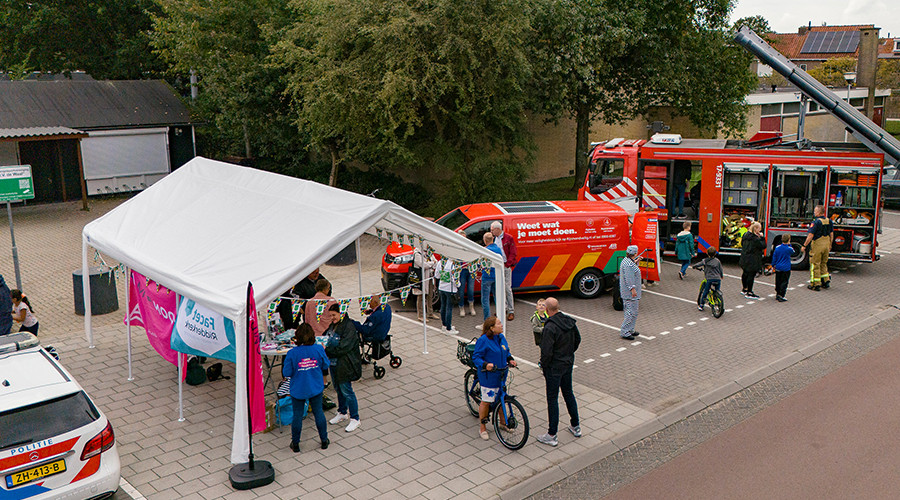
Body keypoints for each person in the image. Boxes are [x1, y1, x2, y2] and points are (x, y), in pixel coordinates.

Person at [537, 298, 581, 447]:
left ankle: (551, 434)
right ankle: (576, 426)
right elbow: (578, 340)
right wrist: (568, 354)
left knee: (552, 398)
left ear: (548, 310)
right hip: (567, 363)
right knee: (568, 393)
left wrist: (544, 365)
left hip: (554, 368)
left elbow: (547, 352)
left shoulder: (550, 328)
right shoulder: (569, 322)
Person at [282, 323, 330, 452]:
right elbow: (326, 364)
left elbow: (286, 373)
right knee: (318, 412)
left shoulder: (292, 353)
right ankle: (324, 440)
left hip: (298, 389)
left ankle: (296, 443)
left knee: (297, 415)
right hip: (315, 387)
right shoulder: (318, 349)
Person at [471, 316, 516, 440]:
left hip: (501, 374)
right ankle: (482, 427)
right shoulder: (483, 340)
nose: (502, 325)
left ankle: (502, 423)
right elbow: (476, 357)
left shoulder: (501, 337)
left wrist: (510, 359)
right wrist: (486, 365)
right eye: (499, 323)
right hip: (488, 376)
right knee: (486, 400)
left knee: (500, 397)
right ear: (491, 328)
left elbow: (506, 351)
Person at [324, 304, 362, 432]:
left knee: (347, 390)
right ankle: (342, 412)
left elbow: (344, 347)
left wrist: (327, 350)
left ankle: (355, 418)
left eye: (334, 315)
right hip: (334, 363)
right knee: (338, 389)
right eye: (330, 316)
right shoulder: (334, 325)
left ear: (342, 314)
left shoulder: (349, 327)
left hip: (344, 364)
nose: (332, 318)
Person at [800, 205, 833, 291]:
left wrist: (804, 245)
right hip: (826, 243)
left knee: (815, 264)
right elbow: (831, 234)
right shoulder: (829, 221)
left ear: (819, 212)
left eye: (815, 211)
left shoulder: (816, 222)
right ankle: (826, 281)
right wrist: (830, 244)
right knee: (823, 263)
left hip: (818, 244)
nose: (814, 212)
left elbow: (811, 235)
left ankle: (815, 284)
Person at [490, 221, 518, 321]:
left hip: (505, 265)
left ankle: (511, 310)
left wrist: (508, 264)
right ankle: (503, 308)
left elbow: (513, 252)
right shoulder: (495, 239)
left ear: (498, 229)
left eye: (492, 230)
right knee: (500, 288)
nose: (491, 231)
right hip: (498, 266)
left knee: (507, 288)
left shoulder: (508, 238)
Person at [478, 232, 503, 328]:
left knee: (485, 299)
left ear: (485, 240)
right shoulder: (498, 249)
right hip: (496, 276)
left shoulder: (485, 251)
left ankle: (487, 322)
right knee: (497, 298)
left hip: (487, 277)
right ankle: (499, 320)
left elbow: (480, 264)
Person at [619, 245, 642, 341]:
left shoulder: (627, 261)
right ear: (635, 253)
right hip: (629, 293)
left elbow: (631, 271)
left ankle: (630, 329)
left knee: (634, 311)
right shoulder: (628, 264)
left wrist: (636, 262)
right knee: (630, 312)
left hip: (631, 292)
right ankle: (625, 331)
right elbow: (629, 278)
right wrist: (632, 289)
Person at [739, 221, 765, 299]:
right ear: (756, 229)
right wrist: (762, 238)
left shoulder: (745, 235)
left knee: (745, 273)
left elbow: (742, 244)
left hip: (744, 257)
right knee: (751, 275)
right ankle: (749, 292)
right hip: (753, 259)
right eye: (759, 229)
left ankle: (744, 289)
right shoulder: (755, 239)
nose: (760, 231)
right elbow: (763, 245)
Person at [412, 247, 439, 322]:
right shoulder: (417, 254)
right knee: (420, 296)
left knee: (430, 295)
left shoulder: (429, 252)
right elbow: (423, 265)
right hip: (421, 278)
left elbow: (435, 262)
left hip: (429, 276)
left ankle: (430, 313)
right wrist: (432, 263)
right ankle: (420, 315)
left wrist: (431, 264)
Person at [435, 257, 459, 334]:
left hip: (441, 287)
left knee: (443, 306)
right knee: (449, 308)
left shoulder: (441, 262)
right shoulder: (454, 265)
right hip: (450, 289)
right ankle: (448, 328)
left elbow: (437, 275)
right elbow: (455, 279)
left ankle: (444, 325)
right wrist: (458, 285)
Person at [456, 230, 477, 317]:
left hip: (471, 270)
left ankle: (471, 307)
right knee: (461, 290)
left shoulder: (470, 246)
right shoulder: (456, 247)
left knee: (471, 290)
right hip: (462, 270)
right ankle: (461, 307)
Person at [696, 247, 723, 311]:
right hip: (717, 279)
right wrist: (721, 276)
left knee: (705, 291)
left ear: (707, 253)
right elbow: (720, 269)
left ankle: (701, 305)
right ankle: (717, 300)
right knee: (717, 290)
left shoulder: (705, 260)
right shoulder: (717, 261)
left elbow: (699, 264)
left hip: (709, 278)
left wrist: (694, 266)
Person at [771, 235, 793, 302]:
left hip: (778, 267)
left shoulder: (777, 248)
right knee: (784, 282)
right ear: (789, 240)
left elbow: (774, 257)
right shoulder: (789, 249)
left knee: (778, 281)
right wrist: (790, 245)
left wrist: (773, 265)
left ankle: (777, 293)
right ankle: (781, 295)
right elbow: (793, 252)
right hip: (786, 268)